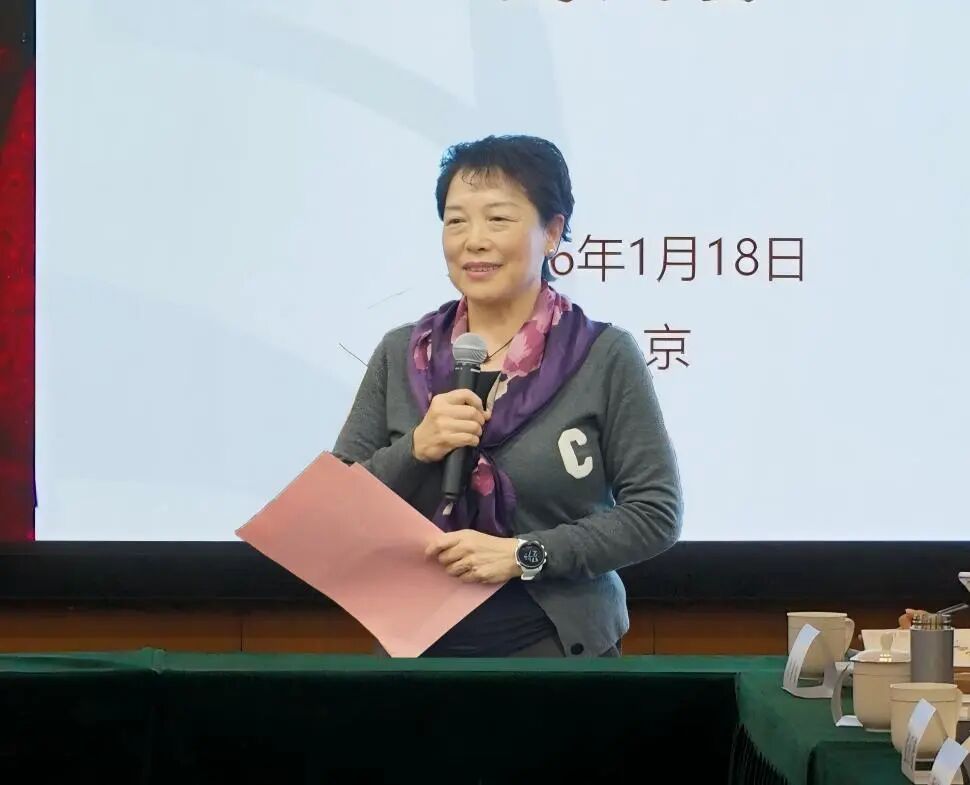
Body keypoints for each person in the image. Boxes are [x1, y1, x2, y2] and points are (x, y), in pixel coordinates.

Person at [333, 134, 683, 657]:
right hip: (415, 652)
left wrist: (524, 554)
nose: (474, 241)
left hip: (555, 649)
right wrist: (416, 449)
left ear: (552, 233)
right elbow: (337, 510)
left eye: (498, 219)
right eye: (456, 221)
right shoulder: (400, 353)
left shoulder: (603, 355)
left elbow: (655, 512)